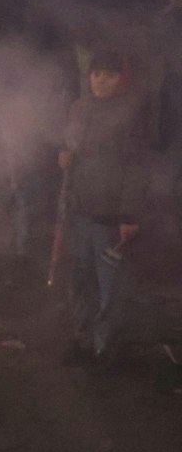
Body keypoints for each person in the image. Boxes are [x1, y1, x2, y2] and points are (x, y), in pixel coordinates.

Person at [57, 52, 154, 368]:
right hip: (80, 208)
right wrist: (64, 156)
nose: (100, 79)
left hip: (110, 214)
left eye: (109, 75)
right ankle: (82, 339)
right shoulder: (79, 108)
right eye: (97, 73)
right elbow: (70, 146)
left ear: (120, 79)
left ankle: (104, 348)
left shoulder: (129, 115)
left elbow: (137, 168)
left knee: (110, 286)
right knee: (80, 279)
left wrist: (129, 215)